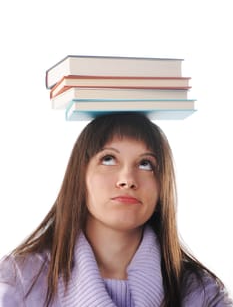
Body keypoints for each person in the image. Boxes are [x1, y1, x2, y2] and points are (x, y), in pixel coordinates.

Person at [0, 112, 232, 307]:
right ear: (79, 176)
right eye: (109, 159)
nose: (127, 180)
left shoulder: (202, 293)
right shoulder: (20, 281)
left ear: (163, 185)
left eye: (145, 164)